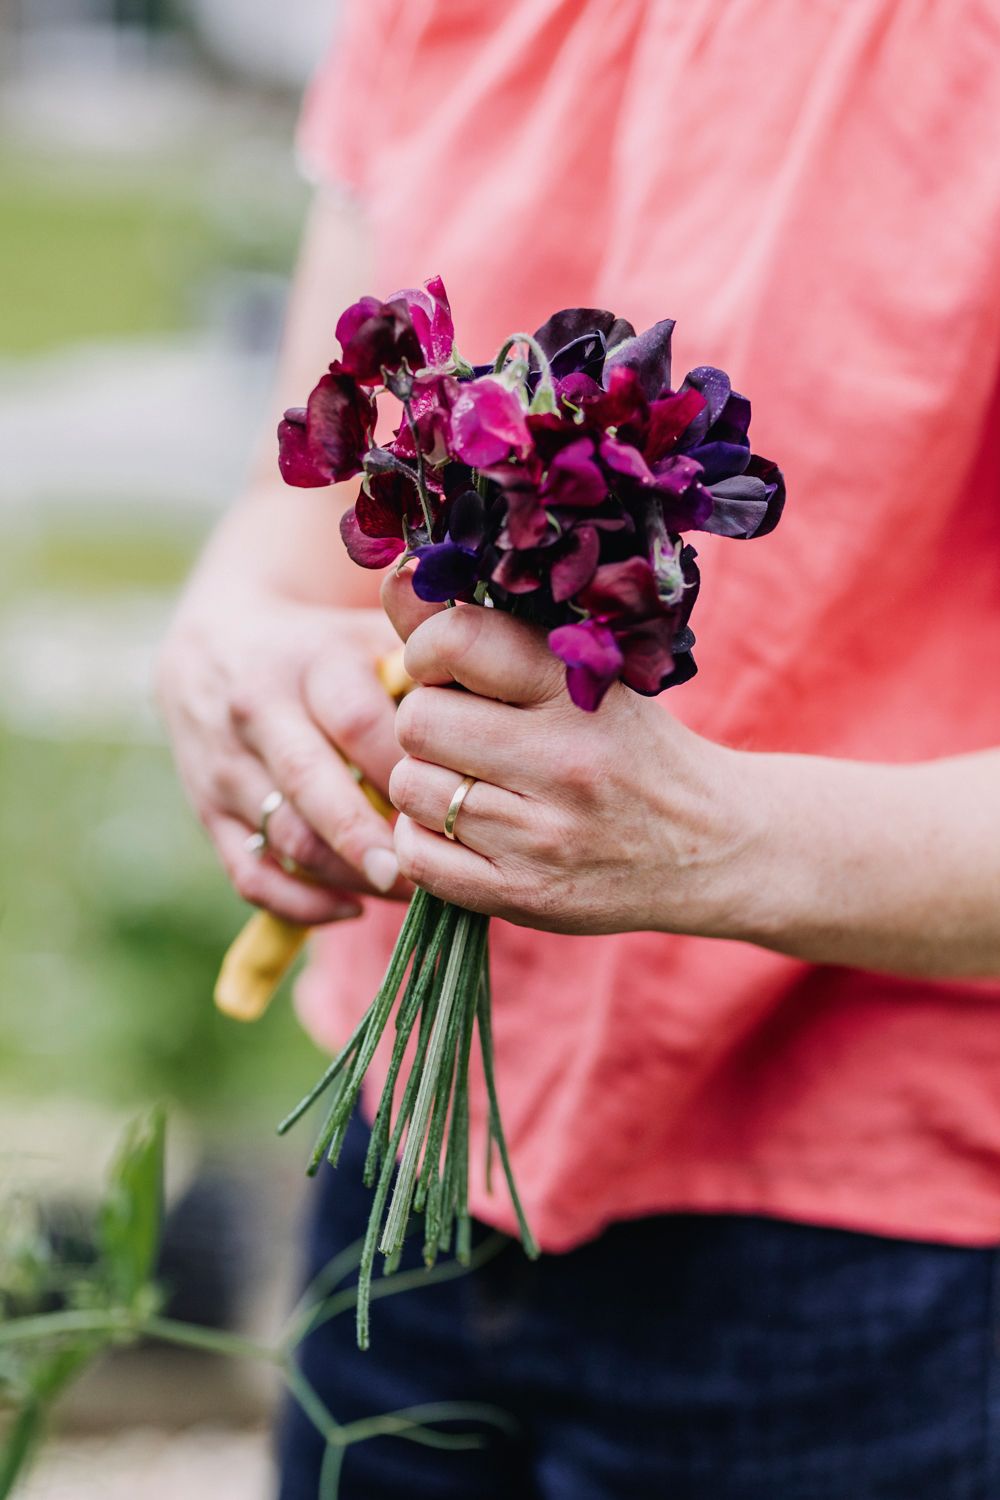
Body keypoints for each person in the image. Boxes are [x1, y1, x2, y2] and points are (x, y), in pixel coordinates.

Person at [157, 2, 1000, 1495]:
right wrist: (233, 652)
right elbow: (299, 521)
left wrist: (723, 840)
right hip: (407, 1143)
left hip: (891, 1241)